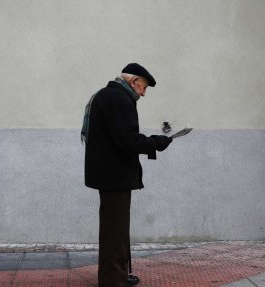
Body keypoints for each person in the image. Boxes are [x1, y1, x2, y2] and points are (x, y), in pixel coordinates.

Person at [82, 63, 172, 287]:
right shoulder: (120, 99)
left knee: (117, 229)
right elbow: (126, 140)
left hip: (109, 175)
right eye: (143, 87)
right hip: (115, 176)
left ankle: (119, 275)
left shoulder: (106, 95)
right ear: (133, 82)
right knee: (115, 231)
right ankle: (113, 281)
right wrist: (155, 142)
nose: (143, 93)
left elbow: (120, 137)